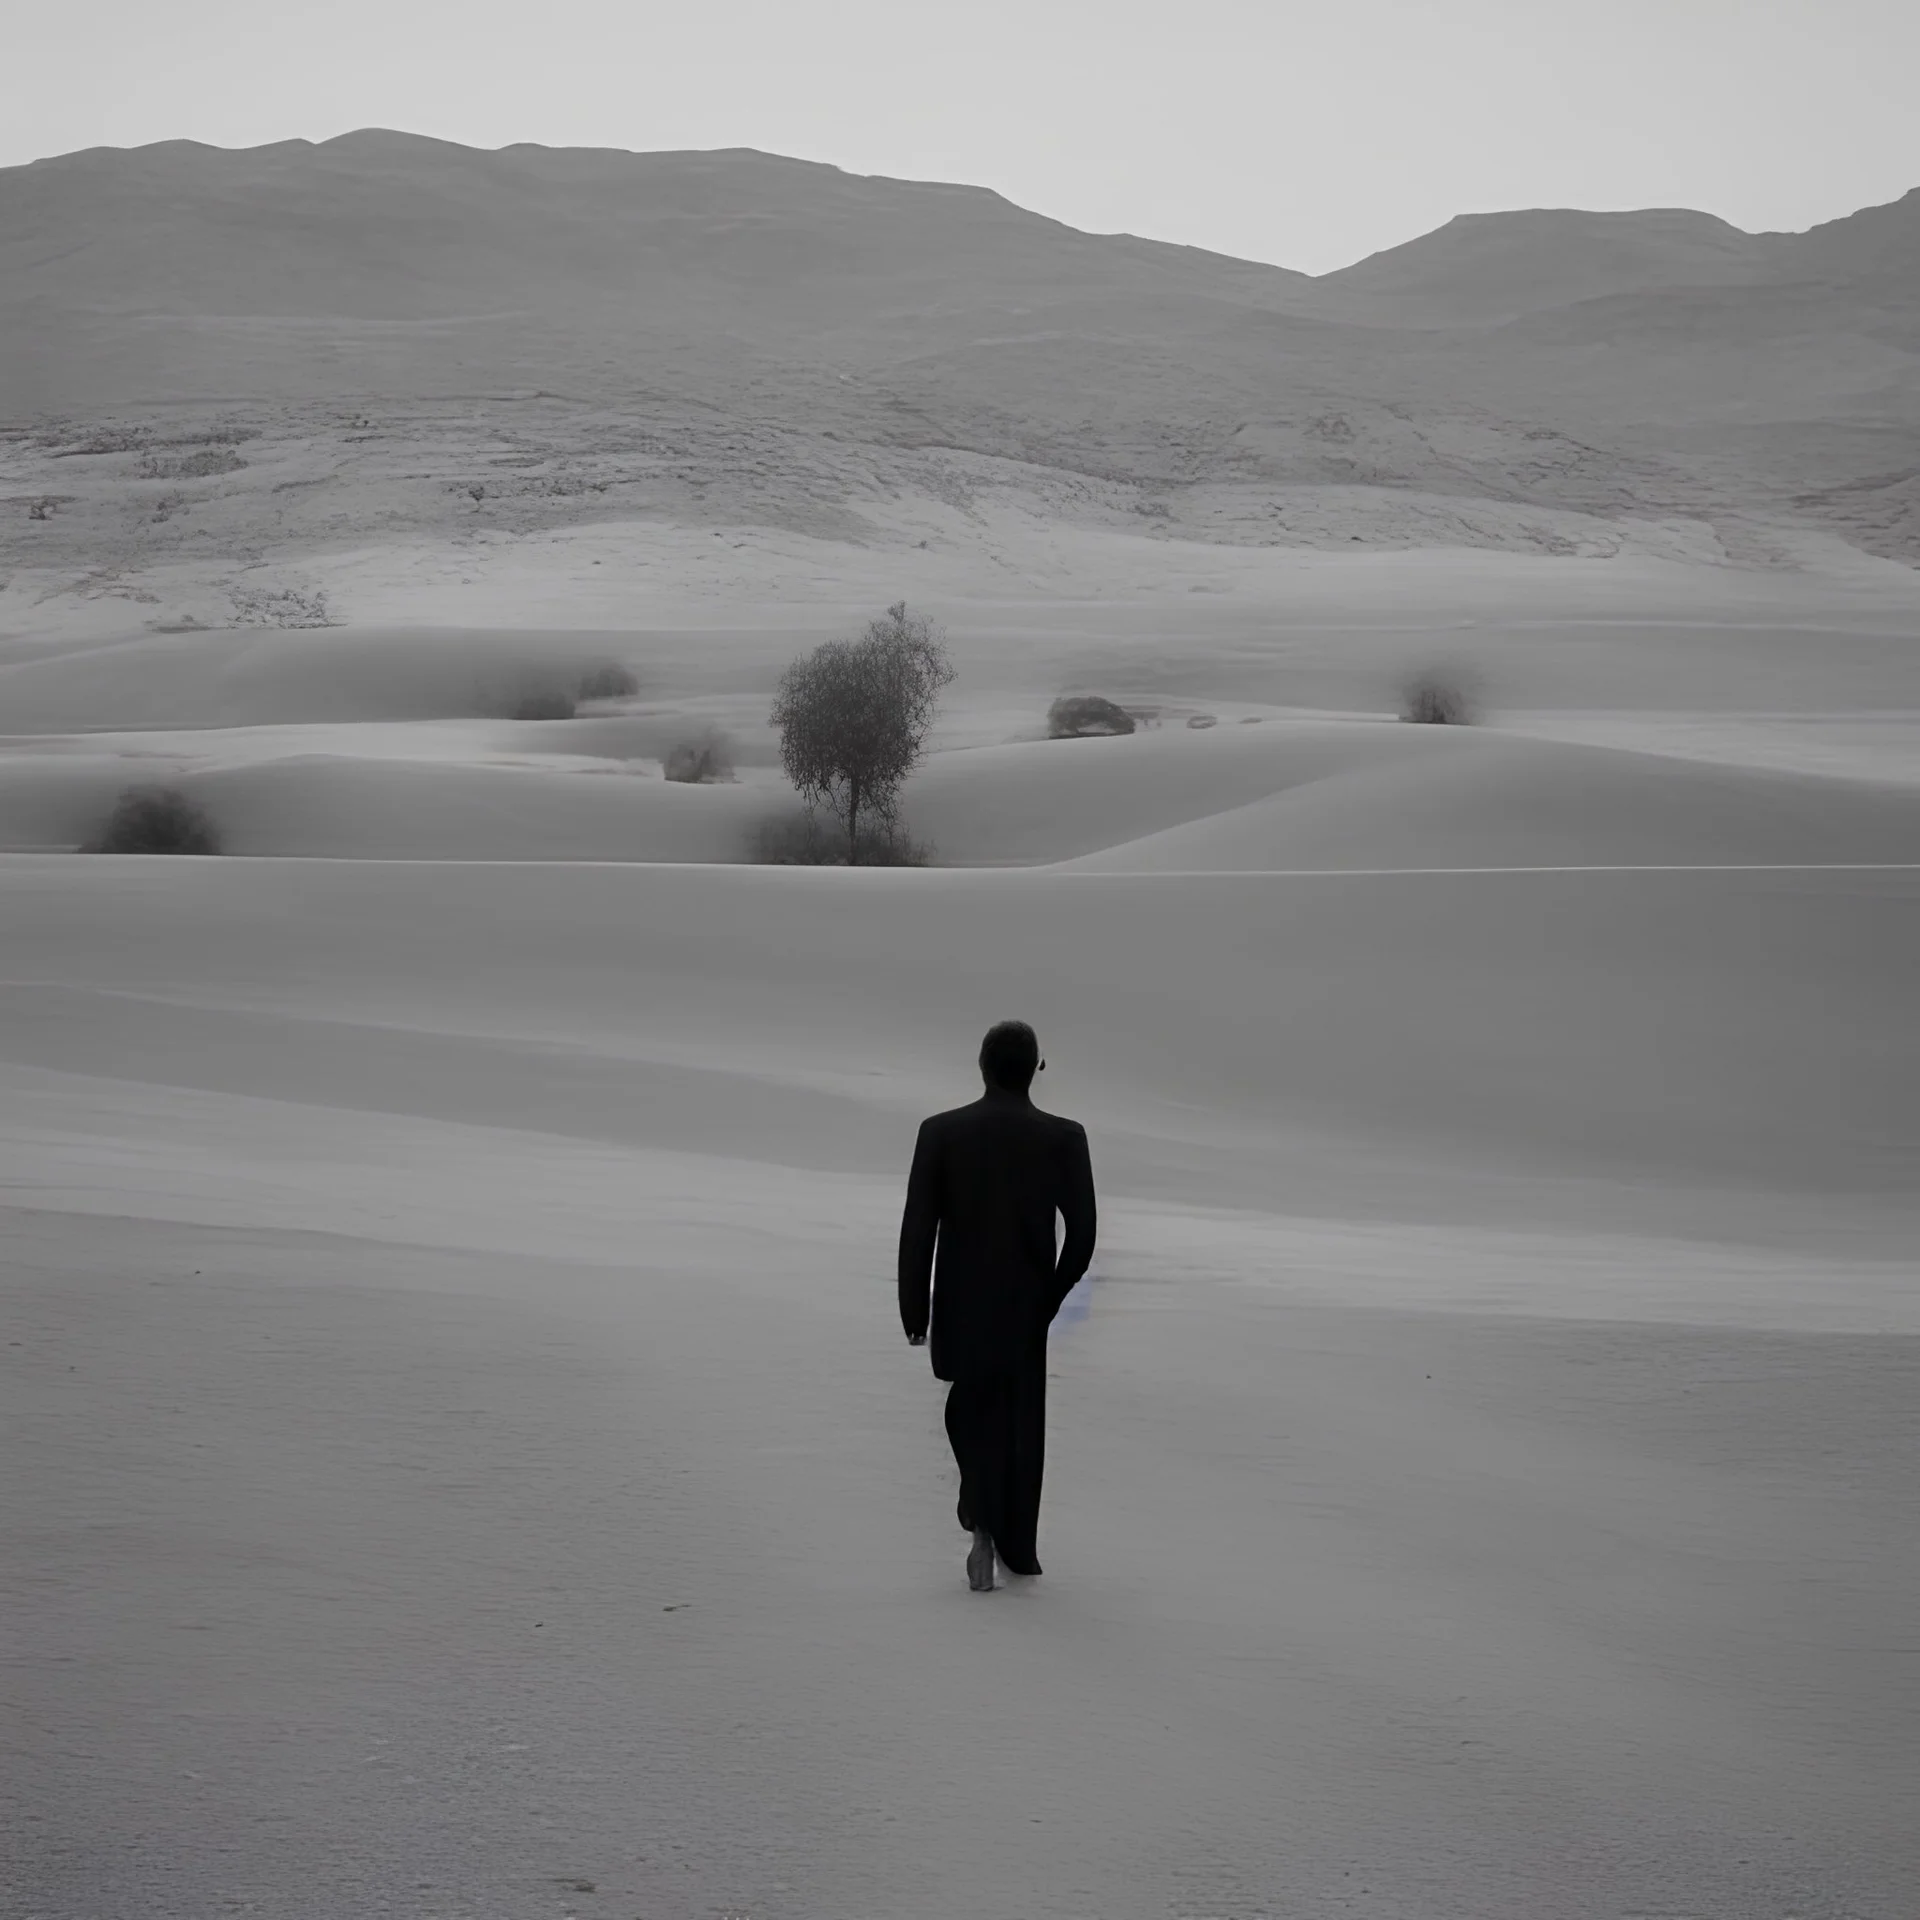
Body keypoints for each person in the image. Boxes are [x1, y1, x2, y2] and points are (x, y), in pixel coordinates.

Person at [897, 1021, 1097, 1592]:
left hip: (962, 1301)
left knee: (969, 1406)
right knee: (1018, 1425)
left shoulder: (941, 1132)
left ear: (981, 1065)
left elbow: (919, 1229)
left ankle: (979, 1518)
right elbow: (1082, 1235)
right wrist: (1049, 1301)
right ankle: (1010, 1542)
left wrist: (916, 1313)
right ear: (1035, 1068)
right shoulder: (1063, 1137)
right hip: (1023, 1309)